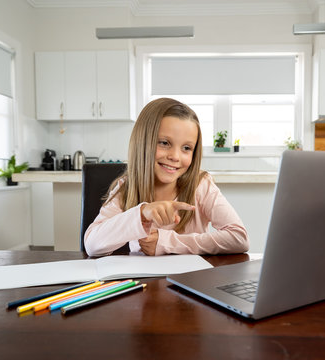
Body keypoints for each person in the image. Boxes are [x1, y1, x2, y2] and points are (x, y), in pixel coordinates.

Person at [84, 98, 249, 257]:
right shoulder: (126, 188)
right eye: (164, 143)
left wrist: (167, 242)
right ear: (143, 143)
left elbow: (239, 238)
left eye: (186, 148)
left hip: (191, 280)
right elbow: (92, 245)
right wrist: (141, 213)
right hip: (144, 282)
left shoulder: (201, 185)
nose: (175, 156)